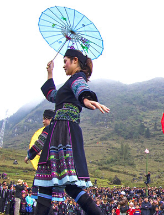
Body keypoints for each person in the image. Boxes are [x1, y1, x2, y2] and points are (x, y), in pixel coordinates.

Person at [26, 49, 110, 215]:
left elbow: (80, 89)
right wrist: (50, 74)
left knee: (57, 183)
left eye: (65, 61)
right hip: (59, 131)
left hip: (64, 132)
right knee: (56, 184)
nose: (63, 65)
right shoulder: (68, 83)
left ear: (75, 61)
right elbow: (53, 96)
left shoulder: (77, 78)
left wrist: (85, 98)